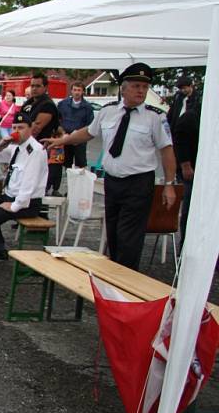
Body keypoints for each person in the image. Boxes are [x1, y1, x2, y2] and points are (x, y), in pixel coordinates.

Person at [45, 63, 176, 270]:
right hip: (113, 181)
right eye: (135, 86)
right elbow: (88, 132)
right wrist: (62, 141)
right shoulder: (108, 112)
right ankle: (115, 276)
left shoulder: (155, 117)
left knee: (129, 236)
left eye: (144, 87)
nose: (141, 91)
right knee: (113, 233)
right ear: (123, 89)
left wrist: (169, 183)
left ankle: (126, 281)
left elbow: (167, 149)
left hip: (139, 182)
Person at [0, 112, 48, 260]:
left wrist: (15, 205)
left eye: (21, 127)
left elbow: (30, 182)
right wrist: (0, 146)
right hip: (10, 196)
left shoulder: (35, 150)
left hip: (27, 203)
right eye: (14, 127)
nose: (16, 131)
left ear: (31, 129)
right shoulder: (17, 147)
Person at [168, 76, 202, 242]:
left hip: (190, 156)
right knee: (188, 205)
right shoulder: (180, 102)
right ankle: (185, 244)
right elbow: (177, 127)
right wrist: (185, 165)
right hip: (186, 158)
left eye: (185, 87)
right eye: (181, 88)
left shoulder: (197, 99)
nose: (183, 90)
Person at [56, 81, 94, 170]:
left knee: (81, 164)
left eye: (79, 90)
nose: (77, 92)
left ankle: (79, 181)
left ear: (83, 92)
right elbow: (57, 120)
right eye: (75, 90)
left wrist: (79, 134)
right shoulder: (62, 104)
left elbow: (90, 124)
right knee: (65, 163)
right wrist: (62, 133)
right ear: (71, 91)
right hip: (65, 137)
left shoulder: (88, 107)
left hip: (80, 139)